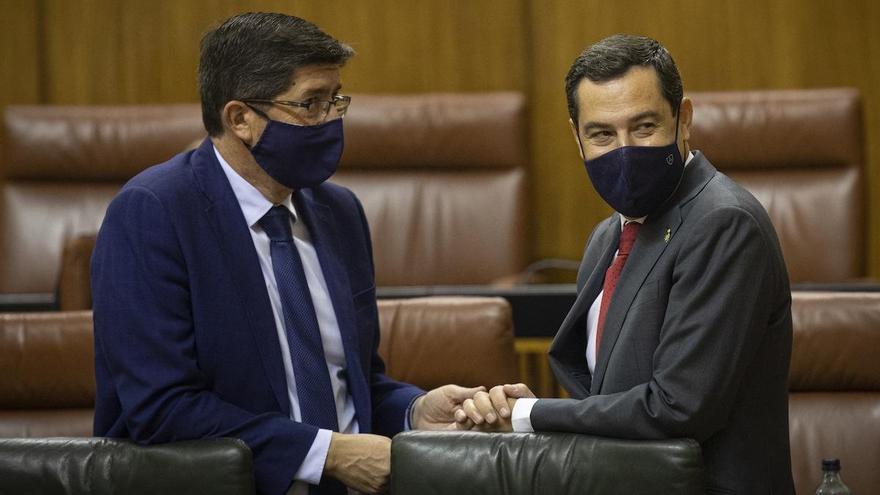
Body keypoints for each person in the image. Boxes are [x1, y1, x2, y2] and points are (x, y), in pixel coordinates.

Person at [91, 12, 480, 495]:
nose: (331, 119)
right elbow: (159, 409)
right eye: (311, 104)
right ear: (240, 119)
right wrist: (329, 454)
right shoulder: (154, 213)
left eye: (336, 100)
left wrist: (416, 409)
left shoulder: (339, 212)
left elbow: (350, 382)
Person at [459, 34, 795, 494]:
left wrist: (530, 415)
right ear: (577, 139)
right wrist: (539, 407)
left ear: (684, 120)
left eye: (644, 127)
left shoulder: (723, 223)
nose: (625, 150)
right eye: (602, 134)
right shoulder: (608, 236)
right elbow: (613, 399)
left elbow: (678, 407)